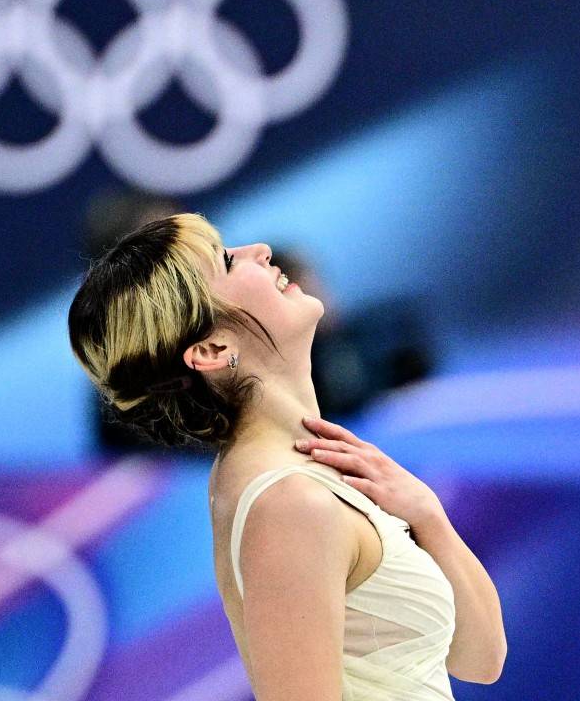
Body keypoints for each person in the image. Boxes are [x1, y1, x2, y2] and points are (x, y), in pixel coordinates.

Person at [67, 212, 506, 699]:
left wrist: (426, 513)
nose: (260, 249)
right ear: (213, 348)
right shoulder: (289, 502)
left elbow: (481, 658)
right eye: (229, 261)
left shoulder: (300, 475)